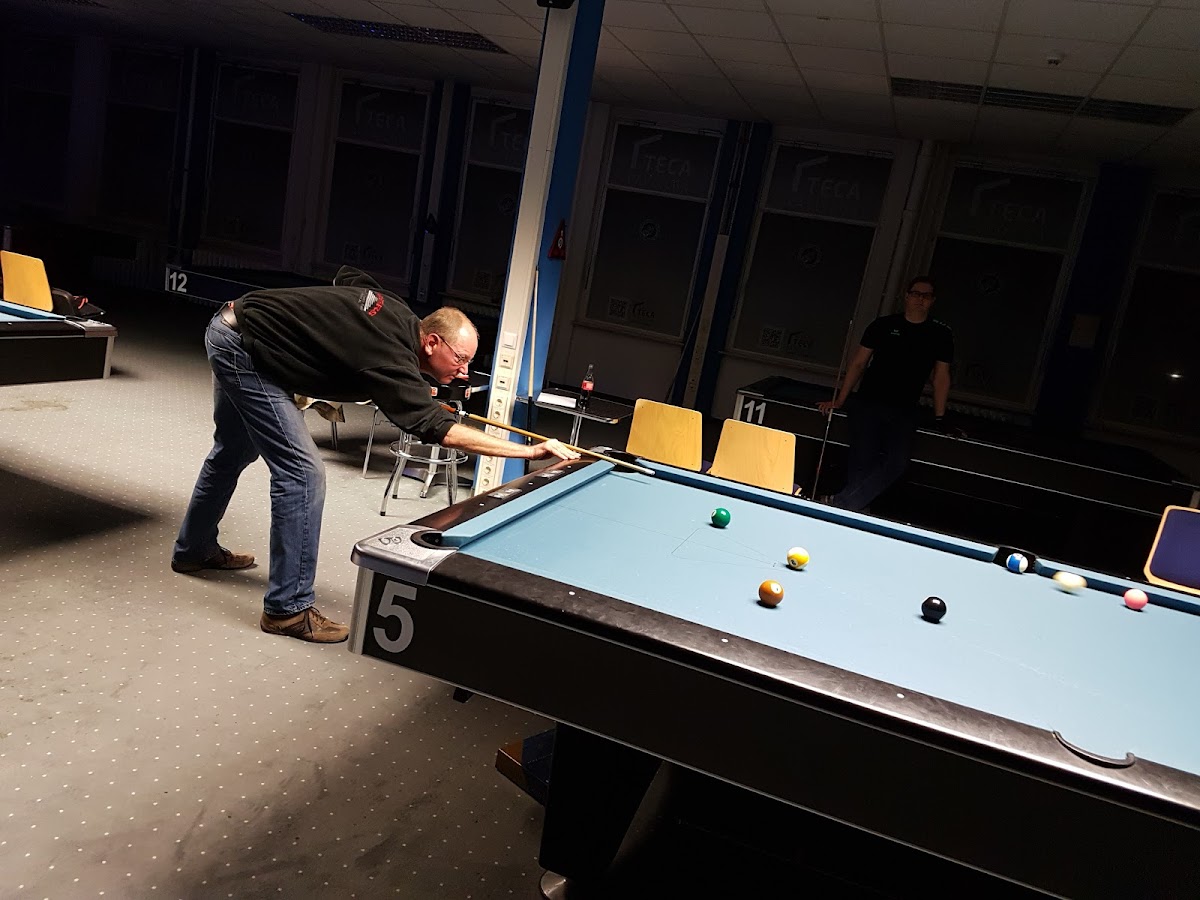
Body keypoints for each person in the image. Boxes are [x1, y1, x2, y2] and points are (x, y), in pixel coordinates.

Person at [171, 266, 576, 643]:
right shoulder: (391, 356)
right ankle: (287, 611)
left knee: (233, 451)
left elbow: (350, 277)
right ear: (431, 342)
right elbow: (438, 429)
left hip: (236, 326)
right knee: (302, 475)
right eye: (461, 359)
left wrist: (328, 337)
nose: (465, 371)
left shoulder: (400, 316)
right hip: (246, 351)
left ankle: (194, 550)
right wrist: (530, 450)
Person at [817, 275, 956, 513]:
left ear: (932, 300)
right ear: (907, 296)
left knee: (897, 462)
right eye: (916, 294)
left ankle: (840, 504)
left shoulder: (940, 334)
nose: (920, 299)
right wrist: (840, 399)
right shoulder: (882, 325)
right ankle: (852, 515)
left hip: (905, 409)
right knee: (861, 464)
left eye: (926, 296)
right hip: (868, 403)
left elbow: (940, 377)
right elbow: (858, 363)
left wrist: (940, 417)